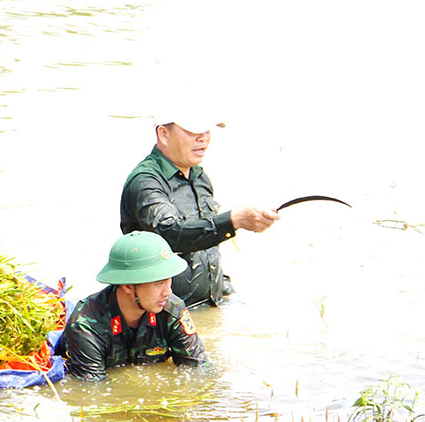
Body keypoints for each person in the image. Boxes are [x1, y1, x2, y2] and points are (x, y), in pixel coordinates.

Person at [120, 113, 279, 307]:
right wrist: (234, 220)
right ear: (163, 134)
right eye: (193, 131)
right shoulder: (146, 182)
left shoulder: (199, 177)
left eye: (206, 130)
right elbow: (170, 231)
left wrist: (225, 291)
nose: (203, 137)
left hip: (209, 305)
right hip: (164, 315)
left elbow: (206, 247)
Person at [63, 231, 208, 381]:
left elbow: (199, 369)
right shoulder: (86, 326)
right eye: (158, 284)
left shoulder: (172, 309)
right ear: (127, 286)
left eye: (168, 280)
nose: (168, 292)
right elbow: (94, 391)